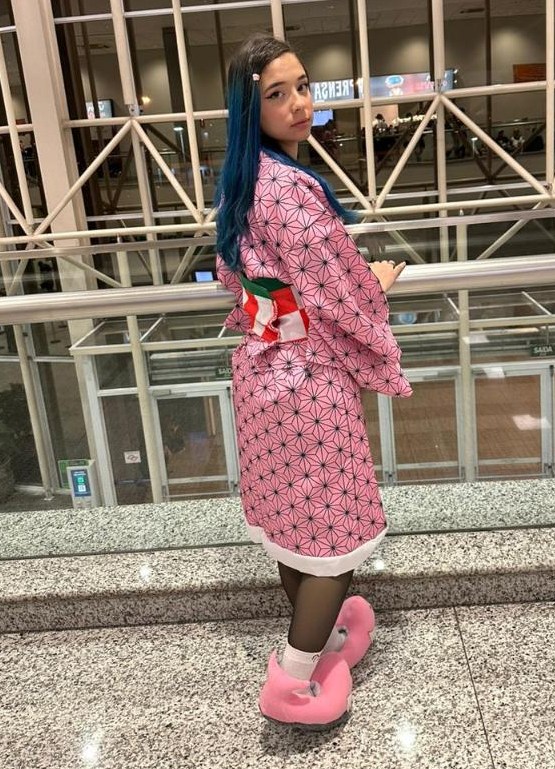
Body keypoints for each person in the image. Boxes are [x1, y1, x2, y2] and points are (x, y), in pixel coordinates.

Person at [213, 33, 411, 730]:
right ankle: (291, 684)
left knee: (294, 528)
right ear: (252, 108)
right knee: (332, 544)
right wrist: (376, 285)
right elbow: (337, 293)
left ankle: (318, 642)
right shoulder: (291, 190)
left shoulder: (241, 182)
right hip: (307, 386)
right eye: (277, 94)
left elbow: (241, 284)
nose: (298, 103)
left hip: (264, 371)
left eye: (302, 86)